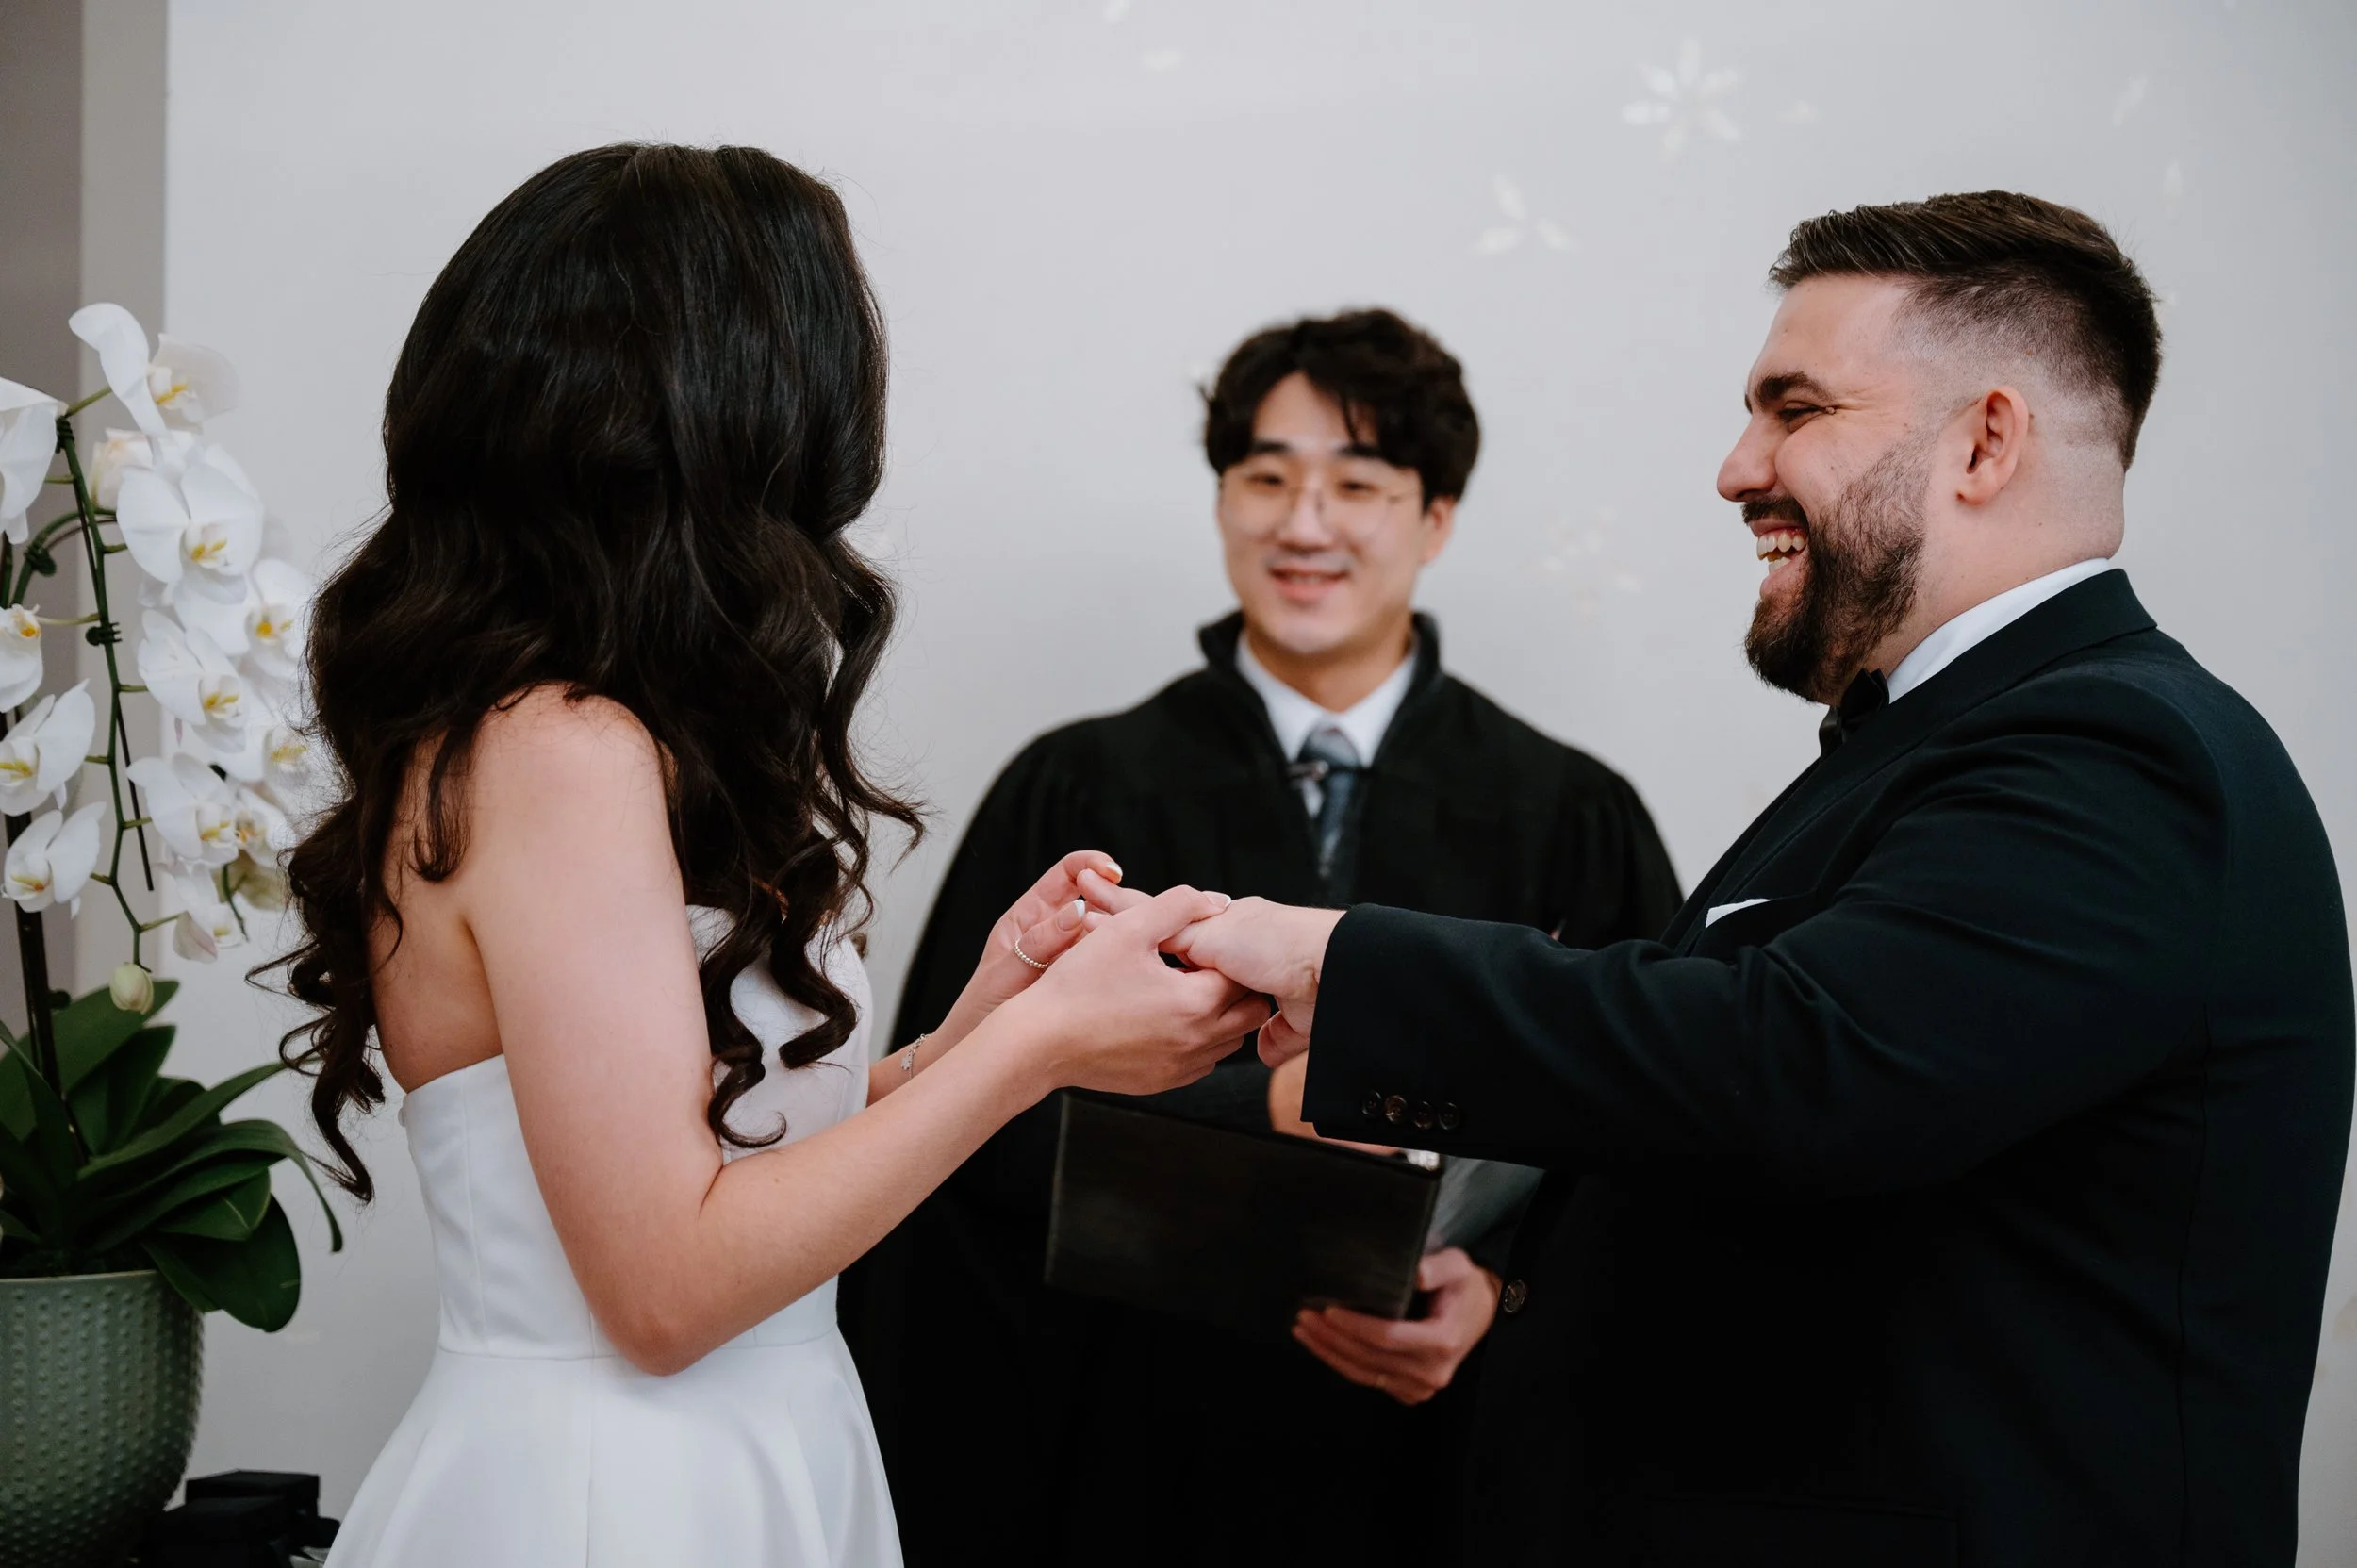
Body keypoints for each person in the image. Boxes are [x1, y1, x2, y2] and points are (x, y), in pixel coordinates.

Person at [1166, 192, 2354, 1566]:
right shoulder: (1929, 743)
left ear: (1986, 439)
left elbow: (1799, 1063)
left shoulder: (2117, 751)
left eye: (1796, 409)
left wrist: (1339, 964)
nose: (1738, 468)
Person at [277, 144, 1268, 1568]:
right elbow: (666, 1286)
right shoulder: (559, 745)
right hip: (613, 1495)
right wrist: (1038, 1047)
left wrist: (969, 1026)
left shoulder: (565, 729)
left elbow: (700, 1141)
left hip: (743, 1445)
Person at [843, 309, 1680, 1565]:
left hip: (1445, 1463)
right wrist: (1267, 1114)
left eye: (1358, 483)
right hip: (1128, 1445)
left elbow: (1644, 1133)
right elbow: (947, 1121)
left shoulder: (1568, 811)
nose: (1305, 524)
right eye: (1267, 477)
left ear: (1435, 516)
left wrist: (1499, 1289)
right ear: (1224, 498)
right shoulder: (1078, 788)